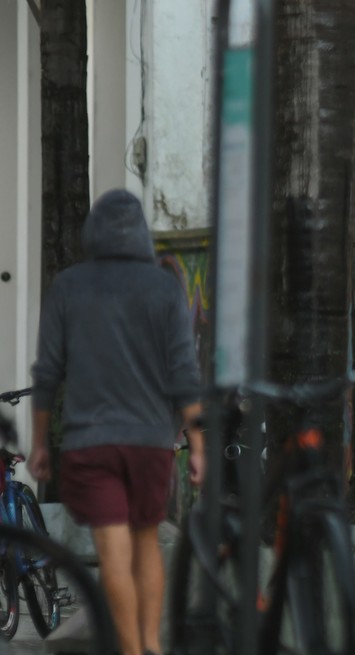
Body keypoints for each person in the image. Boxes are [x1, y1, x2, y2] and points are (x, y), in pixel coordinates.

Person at [29, 189, 204, 655]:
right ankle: (151, 646)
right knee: (146, 542)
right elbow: (184, 373)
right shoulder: (165, 287)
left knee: (113, 554)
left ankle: (132, 652)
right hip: (150, 444)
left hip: (92, 443)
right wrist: (199, 445)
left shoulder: (68, 285)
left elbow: (47, 372)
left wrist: (40, 441)